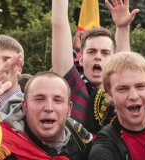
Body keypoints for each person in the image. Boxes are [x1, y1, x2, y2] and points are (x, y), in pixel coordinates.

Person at [52, 0, 138, 134]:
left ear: (113, 60)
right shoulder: (71, 84)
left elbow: (124, 63)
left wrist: (122, 28)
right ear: (80, 59)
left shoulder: (121, 93)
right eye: (91, 52)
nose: (98, 56)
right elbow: (59, 26)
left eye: (105, 53)